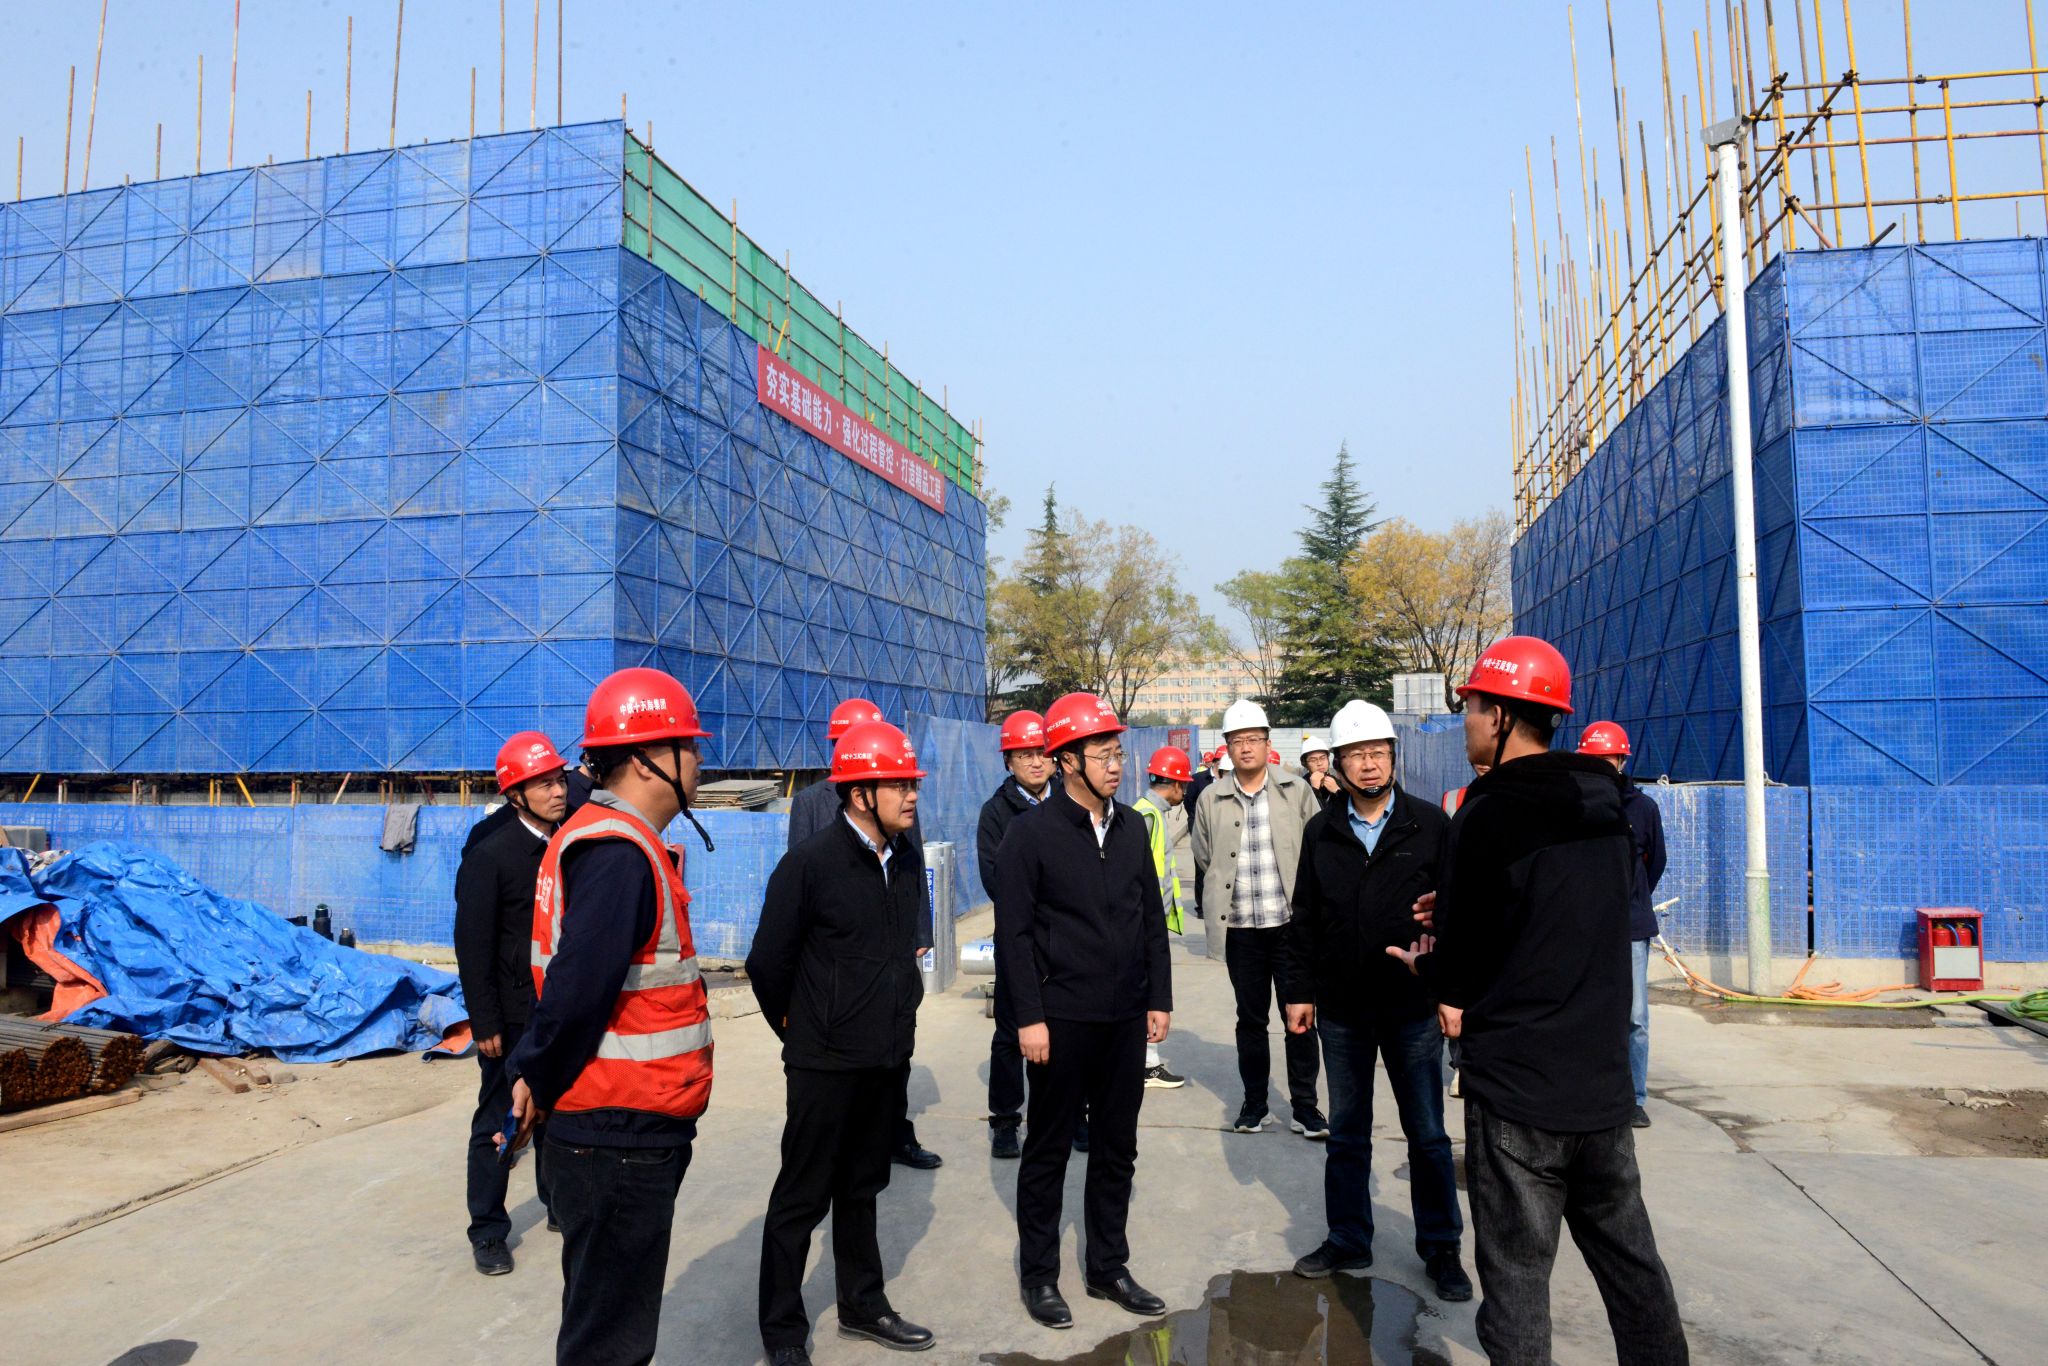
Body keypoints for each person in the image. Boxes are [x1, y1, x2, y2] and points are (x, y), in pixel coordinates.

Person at [1390, 637, 1688, 1365]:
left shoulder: (1487, 813)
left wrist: (1429, 962)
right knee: (1634, 1269)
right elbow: (1563, 915)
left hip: (1519, 1091)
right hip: (1601, 1087)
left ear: (1499, 715)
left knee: (1518, 1280)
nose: (1466, 723)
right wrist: (1461, 905)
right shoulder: (1607, 806)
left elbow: (1462, 971)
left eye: (1471, 708)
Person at [503, 667, 718, 1366]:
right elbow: (576, 991)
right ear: (649, 759)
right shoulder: (618, 853)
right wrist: (534, 1075)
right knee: (609, 1341)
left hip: (619, 1124)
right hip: (617, 1129)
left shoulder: (603, 837)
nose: (700, 760)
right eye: (688, 746)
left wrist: (535, 1074)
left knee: (604, 1319)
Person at [749, 720, 938, 1362]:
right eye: (900, 785)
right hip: (823, 1062)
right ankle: (782, 1332)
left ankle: (863, 1304)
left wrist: (902, 1013)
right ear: (860, 794)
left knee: (862, 1187)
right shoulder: (809, 864)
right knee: (801, 1198)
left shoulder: (903, 857)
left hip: (885, 1057)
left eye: (913, 783)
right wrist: (800, 1028)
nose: (912, 795)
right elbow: (767, 963)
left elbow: (899, 949)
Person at [1278, 702, 1471, 1302]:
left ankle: (1441, 1247)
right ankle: (1348, 1237)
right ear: (1337, 764)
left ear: (1393, 758)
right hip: (1342, 1010)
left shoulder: (1429, 825)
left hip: (1412, 1008)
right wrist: (1298, 991)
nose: (1369, 765)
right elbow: (1304, 916)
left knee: (1429, 1135)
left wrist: (1451, 991)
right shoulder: (1322, 831)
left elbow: (1456, 917)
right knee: (1347, 1133)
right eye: (1357, 755)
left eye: (1379, 753)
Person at [993, 691, 1173, 1330]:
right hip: (1061, 1020)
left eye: (1119, 753)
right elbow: (1014, 934)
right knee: (1047, 1150)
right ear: (1067, 760)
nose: (1116, 765)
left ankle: (1108, 1267)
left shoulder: (1130, 828)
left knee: (1118, 1148)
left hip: (1124, 1018)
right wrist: (1029, 1018)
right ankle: (1040, 1276)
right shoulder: (1030, 833)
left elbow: (1151, 918)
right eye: (1103, 754)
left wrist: (1159, 997)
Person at [786, 698, 941, 1171]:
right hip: (840, 956)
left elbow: (913, 863)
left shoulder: (895, 795)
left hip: (891, 946)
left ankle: (896, 1134)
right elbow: (798, 879)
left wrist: (920, 929)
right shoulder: (811, 802)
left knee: (896, 1047)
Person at [453, 732, 570, 1275]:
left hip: (556, 1007)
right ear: (516, 795)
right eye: (543, 784)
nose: (558, 791)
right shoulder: (491, 855)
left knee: (556, 1111)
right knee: (501, 1119)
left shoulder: (567, 842)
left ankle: (556, 1203)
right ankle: (488, 1230)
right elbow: (472, 944)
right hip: (510, 1014)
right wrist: (484, 1021)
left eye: (559, 780)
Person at [1192, 698, 1325, 1139]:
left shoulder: (1296, 791)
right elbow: (1205, 856)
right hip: (1241, 930)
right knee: (1250, 1020)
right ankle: (1255, 1104)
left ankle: (1305, 1107)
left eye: (1253, 739)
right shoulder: (1211, 798)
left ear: (1268, 744)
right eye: (1237, 741)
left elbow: (1317, 849)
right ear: (1227, 748)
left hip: (1290, 928)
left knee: (1299, 1018)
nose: (1246, 747)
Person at [1578, 721, 1668, 1129]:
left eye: (1608, 760)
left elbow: (1655, 862)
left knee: (1635, 1017)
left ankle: (1634, 1098)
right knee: (1585, 1012)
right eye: (1594, 760)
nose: (1603, 767)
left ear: (1621, 760)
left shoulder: (1643, 809)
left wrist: (1632, 898)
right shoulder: (1573, 805)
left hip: (1630, 926)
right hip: (1584, 926)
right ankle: (1590, 1092)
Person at [977, 710, 1051, 1160]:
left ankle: (1069, 1114)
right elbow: (995, 878)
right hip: (1018, 939)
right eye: (1025, 755)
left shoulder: (1071, 801)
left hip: (1068, 941)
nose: (1036, 762)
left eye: (1041, 752)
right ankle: (1005, 1120)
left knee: (1066, 1030)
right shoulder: (996, 812)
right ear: (1009, 761)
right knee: (1010, 1032)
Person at [1130, 748, 1191, 1090]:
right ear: (1176, 785)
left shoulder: (1150, 812)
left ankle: (1147, 1063)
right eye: (1184, 785)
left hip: (1149, 922)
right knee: (1146, 995)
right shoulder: (1147, 816)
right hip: (1143, 924)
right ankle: (1143, 1065)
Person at [1298, 734, 1342, 804]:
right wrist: (1314, 789)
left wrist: (1337, 791)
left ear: (1328, 759)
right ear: (1305, 764)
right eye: (1313, 760)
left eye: (1323, 758)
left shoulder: (1337, 782)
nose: (1319, 763)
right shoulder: (1300, 785)